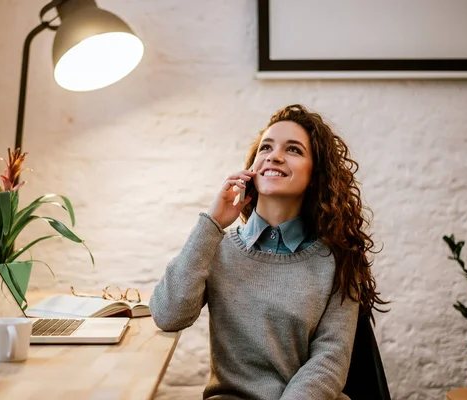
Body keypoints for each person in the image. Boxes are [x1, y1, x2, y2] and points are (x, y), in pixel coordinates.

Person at [149, 104, 389, 400]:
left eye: (294, 150)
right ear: (252, 168)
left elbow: (329, 362)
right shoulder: (215, 246)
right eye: (266, 147)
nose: (274, 156)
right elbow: (167, 315)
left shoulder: (338, 259)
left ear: (315, 175)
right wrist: (211, 223)